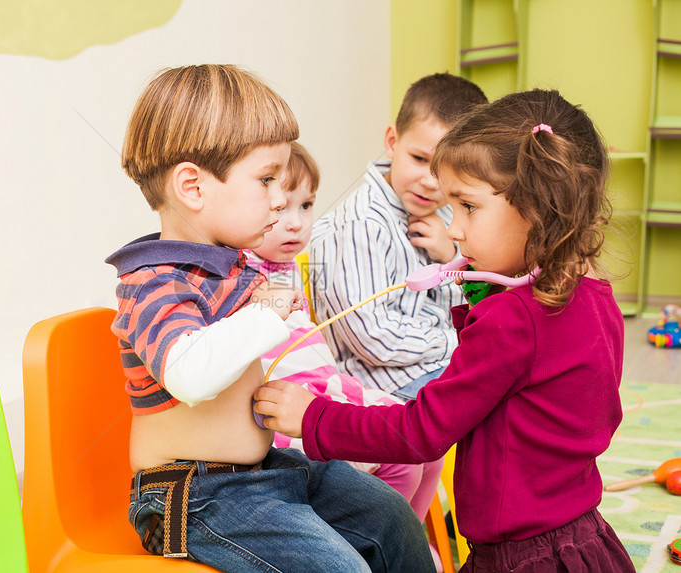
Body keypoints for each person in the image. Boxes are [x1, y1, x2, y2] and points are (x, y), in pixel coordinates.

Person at [255, 89, 636, 572]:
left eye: (468, 208)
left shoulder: (514, 320)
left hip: (521, 557)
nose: (453, 230)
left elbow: (421, 432)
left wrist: (314, 418)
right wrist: (478, 292)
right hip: (582, 539)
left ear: (538, 210)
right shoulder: (595, 297)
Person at [106, 64, 434, 573]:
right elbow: (189, 375)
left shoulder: (226, 264)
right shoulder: (154, 280)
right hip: (189, 496)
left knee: (392, 519)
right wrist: (266, 313)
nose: (280, 199)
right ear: (193, 187)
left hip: (261, 471)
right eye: (266, 180)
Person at [243, 141, 444, 526]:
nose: (297, 223)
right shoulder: (243, 268)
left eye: (306, 206)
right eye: (280, 207)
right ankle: (382, 543)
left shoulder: (285, 266)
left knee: (427, 442)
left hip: (325, 386)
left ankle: (408, 542)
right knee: (402, 460)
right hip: (288, 406)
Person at [310, 73, 487, 401]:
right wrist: (458, 340)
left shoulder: (448, 214)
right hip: (382, 380)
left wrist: (451, 259)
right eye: (420, 160)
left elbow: (470, 304)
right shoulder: (361, 224)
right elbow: (372, 338)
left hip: (437, 361)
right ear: (392, 141)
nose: (431, 182)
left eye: (447, 169)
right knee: (488, 403)